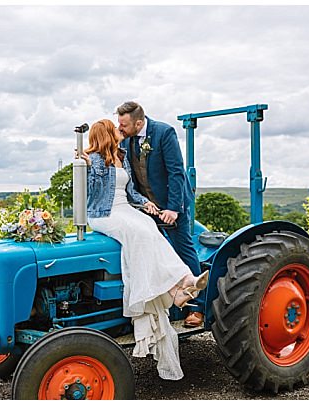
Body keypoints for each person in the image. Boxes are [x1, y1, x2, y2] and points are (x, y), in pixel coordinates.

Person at [80, 118, 209, 380]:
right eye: (115, 129)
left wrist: (147, 203)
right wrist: (82, 164)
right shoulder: (92, 161)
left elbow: (129, 190)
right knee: (140, 233)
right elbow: (91, 192)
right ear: (106, 134)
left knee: (152, 230)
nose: (120, 131)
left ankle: (182, 285)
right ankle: (177, 288)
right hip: (104, 214)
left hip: (126, 209)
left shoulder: (121, 155)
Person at [115, 101, 205, 327]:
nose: (120, 128)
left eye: (124, 124)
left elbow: (176, 172)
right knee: (151, 252)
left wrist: (173, 209)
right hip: (146, 207)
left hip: (170, 205)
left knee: (183, 249)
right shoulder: (126, 138)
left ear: (138, 122)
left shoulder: (164, 133)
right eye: (118, 123)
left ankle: (197, 308)